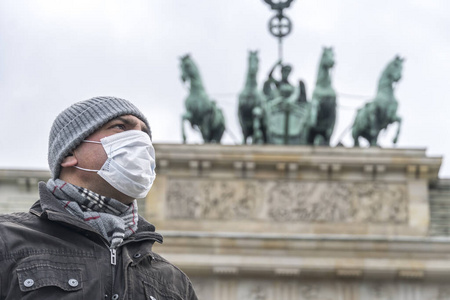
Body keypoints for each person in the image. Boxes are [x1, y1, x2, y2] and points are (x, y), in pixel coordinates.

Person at [0, 96, 198, 299]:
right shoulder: (6, 241)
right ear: (70, 152)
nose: (141, 142)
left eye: (144, 134)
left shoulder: (174, 283)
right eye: (120, 127)